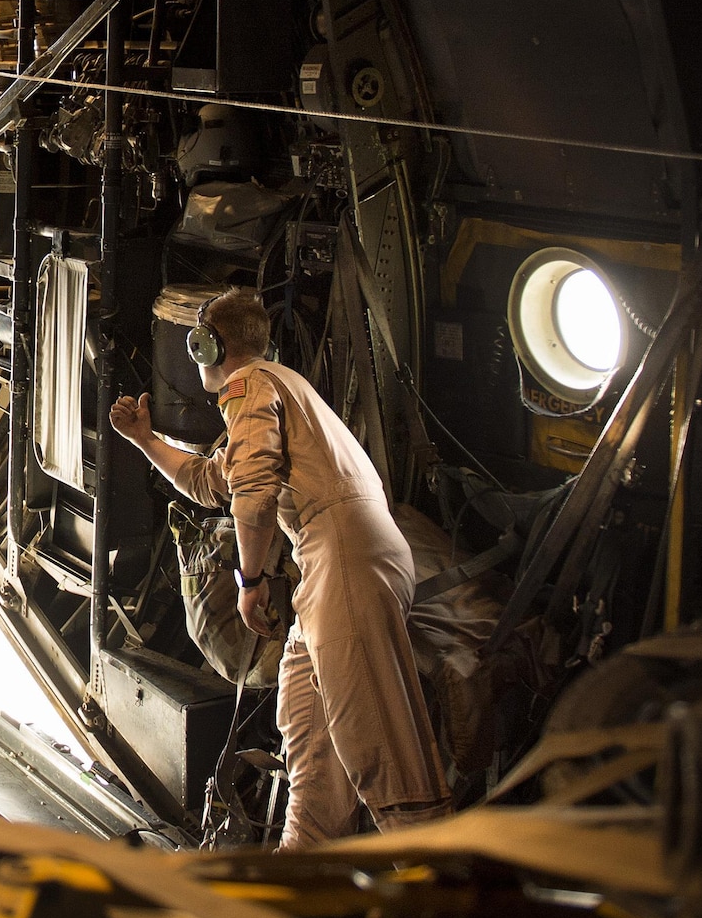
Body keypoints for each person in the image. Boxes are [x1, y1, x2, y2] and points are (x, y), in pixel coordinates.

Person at [111, 286, 451, 848]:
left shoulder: (251, 388)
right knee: (309, 728)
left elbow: (252, 493)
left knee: (382, 748)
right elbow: (210, 482)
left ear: (205, 347)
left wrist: (248, 582)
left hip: (343, 558)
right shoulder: (278, 390)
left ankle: (442, 894)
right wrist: (145, 439)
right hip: (342, 562)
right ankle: (300, 871)